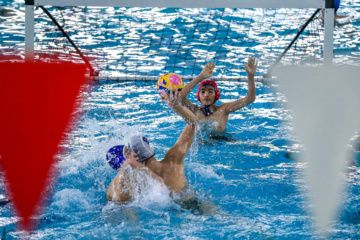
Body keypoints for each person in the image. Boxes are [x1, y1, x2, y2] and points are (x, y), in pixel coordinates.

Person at [106, 91, 199, 204]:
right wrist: (175, 107)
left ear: (137, 156)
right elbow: (193, 123)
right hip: (191, 203)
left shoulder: (137, 180)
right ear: (151, 148)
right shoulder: (174, 159)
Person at [180, 57, 258, 132]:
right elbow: (179, 97)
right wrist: (201, 77)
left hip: (222, 141)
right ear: (198, 95)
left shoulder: (223, 110)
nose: (206, 95)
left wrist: (250, 76)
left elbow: (250, 98)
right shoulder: (194, 110)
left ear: (216, 95)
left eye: (210, 91)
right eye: (203, 92)